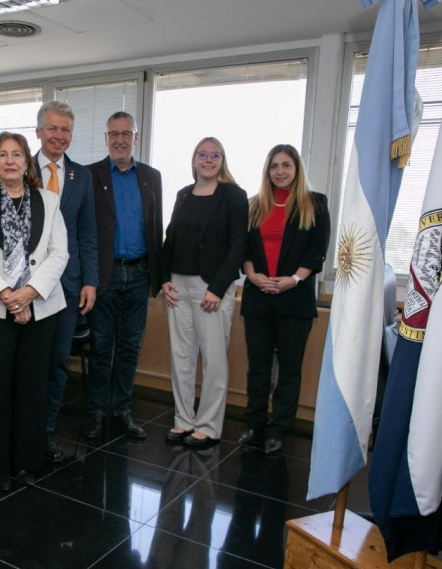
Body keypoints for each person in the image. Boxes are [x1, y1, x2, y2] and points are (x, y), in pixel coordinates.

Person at [0, 132, 69, 490]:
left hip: (40, 306)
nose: (10, 160)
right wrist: (8, 295)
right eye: (2, 154)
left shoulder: (49, 200)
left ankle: (27, 462)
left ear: (27, 162)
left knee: (31, 385)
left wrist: (29, 294)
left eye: (17, 154)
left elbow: (59, 253)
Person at [239, 144, 330, 454]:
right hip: (258, 298)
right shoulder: (253, 205)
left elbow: (316, 251)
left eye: (286, 165)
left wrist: (294, 280)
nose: (280, 171)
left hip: (295, 301)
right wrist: (252, 276)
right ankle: (254, 424)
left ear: (296, 169)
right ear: (268, 171)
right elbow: (245, 251)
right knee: (258, 367)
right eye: (274, 166)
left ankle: (279, 429)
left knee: (289, 369)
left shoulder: (314, 204)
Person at [160, 137, 248, 449]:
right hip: (177, 285)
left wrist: (218, 288)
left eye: (215, 155)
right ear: (194, 159)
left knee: (213, 360)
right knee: (181, 357)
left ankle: (209, 426)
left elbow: (239, 245)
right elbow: (171, 238)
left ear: (222, 161)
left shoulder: (234, 196)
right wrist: (162, 279)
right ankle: (184, 420)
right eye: (202, 154)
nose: (208, 159)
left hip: (212, 286)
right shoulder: (183, 194)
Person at [84, 112, 163, 440]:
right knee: (102, 346)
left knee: (130, 346)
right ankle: (97, 412)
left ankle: (122, 411)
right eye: (113, 134)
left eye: (125, 133)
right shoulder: (90, 175)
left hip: (140, 272)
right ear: (105, 138)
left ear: (136, 137)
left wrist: (160, 274)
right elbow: (84, 230)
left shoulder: (151, 176)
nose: (119, 139)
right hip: (106, 275)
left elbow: (156, 225)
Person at [33, 101, 98, 463]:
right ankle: (21, 429)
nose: (59, 136)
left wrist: (90, 281)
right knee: (29, 364)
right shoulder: (19, 167)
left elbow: (87, 232)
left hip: (68, 286)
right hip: (24, 287)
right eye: (53, 128)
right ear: (39, 131)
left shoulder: (81, 176)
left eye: (65, 130)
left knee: (58, 363)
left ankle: (45, 432)